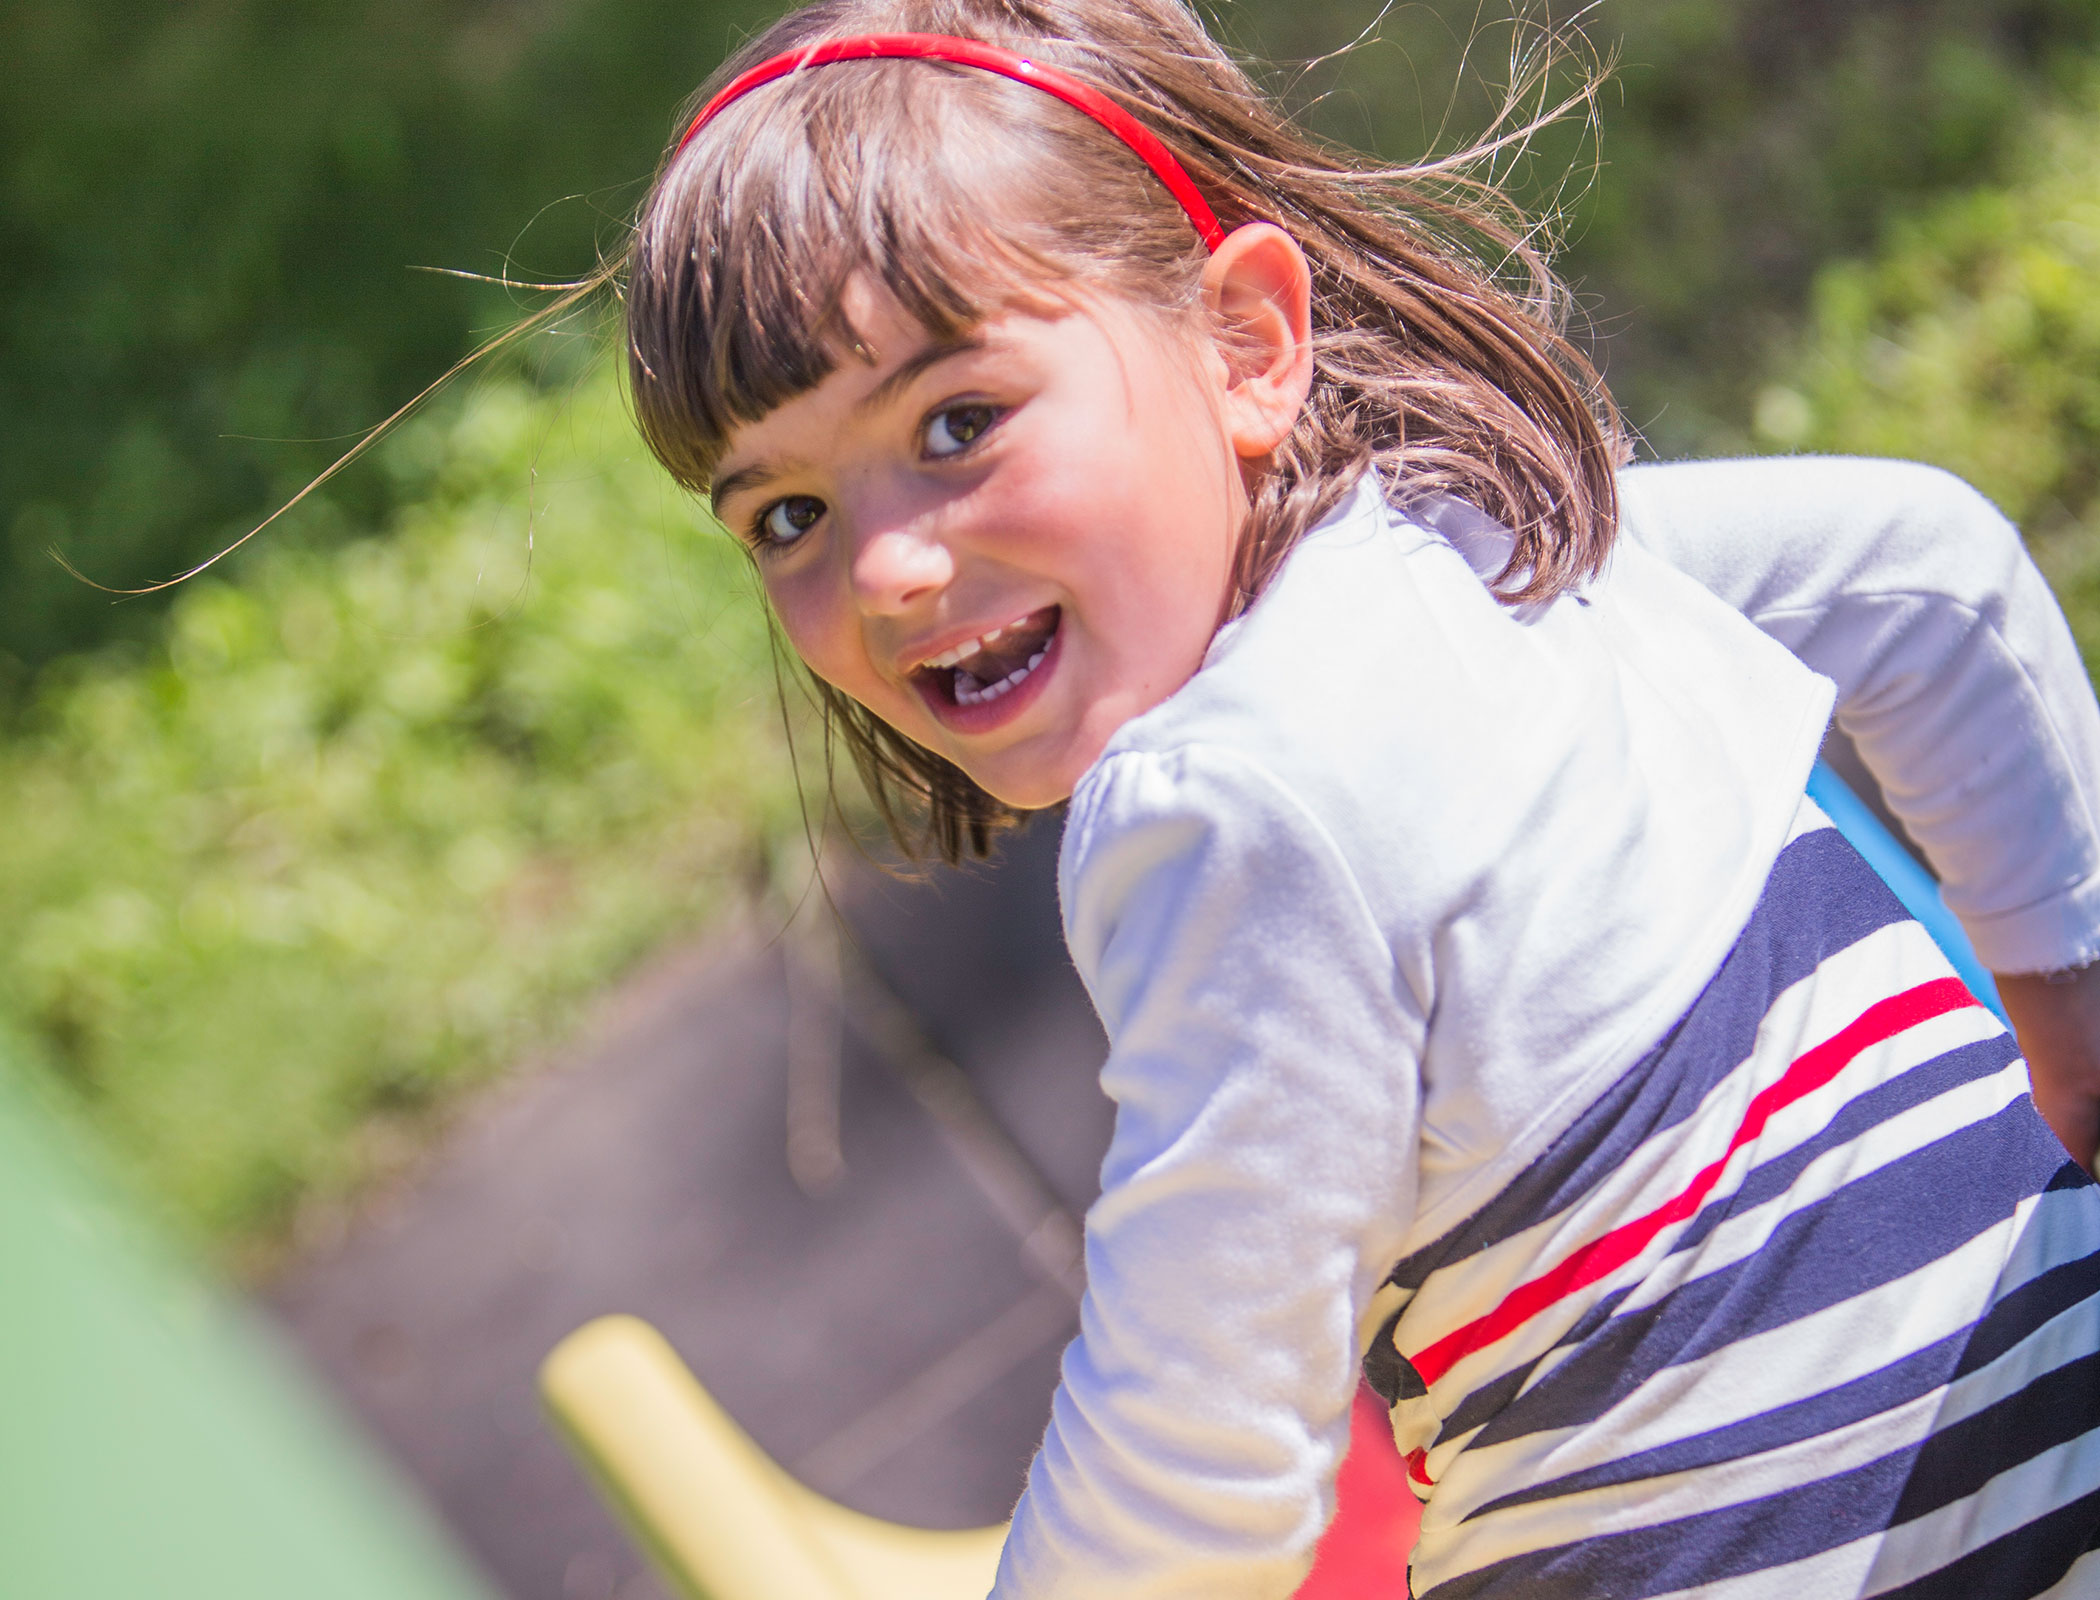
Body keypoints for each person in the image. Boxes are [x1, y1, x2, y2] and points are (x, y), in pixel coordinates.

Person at [620, 0, 2100, 1592]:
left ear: (1247, 344)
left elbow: (1196, 1466)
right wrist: (2069, 1018)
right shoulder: (1503, 556)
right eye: (785, 516)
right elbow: (1931, 576)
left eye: (958, 424)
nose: (891, 568)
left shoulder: (1223, 808)